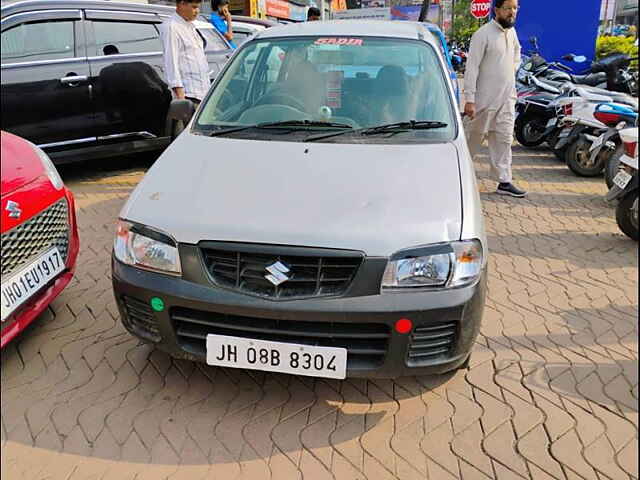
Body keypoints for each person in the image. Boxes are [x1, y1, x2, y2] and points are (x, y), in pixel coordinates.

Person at [463, 0, 526, 198]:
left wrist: (511, 70)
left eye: (515, 8)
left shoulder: (512, 33)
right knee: (472, 140)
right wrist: (470, 99)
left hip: (507, 99)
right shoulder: (483, 35)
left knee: (504, 140)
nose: (512, 12)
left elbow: (517, 53)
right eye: (508, 8)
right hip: (483, 100)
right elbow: (471, 67)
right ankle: (457, 174)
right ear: (497, 10)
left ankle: (504, 181)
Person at [160, 0, 210, 106]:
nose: (197, 11)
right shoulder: (172, 27)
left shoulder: (191, 26)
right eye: (194, 7)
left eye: (198, 7)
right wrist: (180, 97)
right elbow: (171, 62)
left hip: (202, 93)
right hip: (188, 95)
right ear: (182, 4)